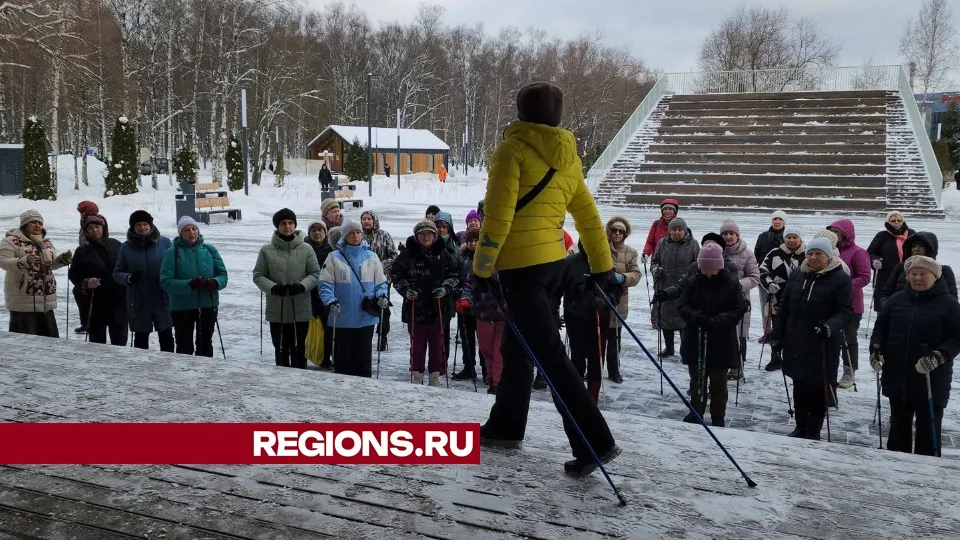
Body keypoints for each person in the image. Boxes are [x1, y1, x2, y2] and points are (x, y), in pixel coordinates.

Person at [472, 81, 622, 477]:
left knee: (550, 356)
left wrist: (482, 267)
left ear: (521, 111)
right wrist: (602, 266)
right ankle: (506, 425)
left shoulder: (511, 150)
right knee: (518, 346)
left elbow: (498, 216)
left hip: (522, 266)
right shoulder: (567, 156)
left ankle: (595, 442)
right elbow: (588, 216)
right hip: (554, 262)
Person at [870, 255, 960, 456]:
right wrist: (876, 349)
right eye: (913, 274)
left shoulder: (949, 304)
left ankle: (927, 468)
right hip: (898, 376)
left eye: (923, 274)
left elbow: (956, 338)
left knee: (928, 428)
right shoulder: (896, 300)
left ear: (935, 276)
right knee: (899, 426)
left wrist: (939, 356)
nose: (918, 278)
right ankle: (894, 463)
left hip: (931, 379)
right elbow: (881, 328)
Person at [771, 237, 852, 441]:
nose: (813, 257)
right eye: (810, 253)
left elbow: (844, 312)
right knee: (799, 386)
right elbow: (785, 307)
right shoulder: (798, 274)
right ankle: (800, 427)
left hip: (822, 343)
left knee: (817, 389)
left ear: (828, 256)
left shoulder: (840, 278)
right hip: (796, 341)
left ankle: (813, 431)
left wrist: (829, 327)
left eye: (819, 254)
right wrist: (778, 336)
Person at [678, 243, 748, 427]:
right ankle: (696, 411)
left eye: (712, 269)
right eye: (705, 268)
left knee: (718, 382)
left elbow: (740, 307)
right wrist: (696, 316)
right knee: (697, 380)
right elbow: (682, 305)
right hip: (696, 339)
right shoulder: (693, 282)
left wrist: (721, 319)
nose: (708, 272)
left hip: (721, 341)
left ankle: (718, 415)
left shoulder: (731, 284)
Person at [390, 220, 459, 386]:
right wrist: (406, 290)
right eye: (422, 234)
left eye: (429, 234)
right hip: (415, 307)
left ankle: (435, 376)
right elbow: (396, 275)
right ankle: (417, 375)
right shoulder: (407, 254)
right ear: (416, 236)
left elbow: (455, 275)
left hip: (438, 308)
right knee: (417, 347)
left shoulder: (443, 253)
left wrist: (445, 288)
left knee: (437, 346)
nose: (426, 237)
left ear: (435, 236)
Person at [318, 219, 389, 377]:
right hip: (342, 317)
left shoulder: (372, 257)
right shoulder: (334, 257)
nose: (355, 235)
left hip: (366, 318)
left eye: (358, 232)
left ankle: (364, 389)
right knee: (343, 360)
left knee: (363, 358)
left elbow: (381, 282)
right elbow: (324, 284)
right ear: (344, 236)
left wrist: (381, 295)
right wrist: (330, 301)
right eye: (351, 233)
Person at [253, 208, 322, 368]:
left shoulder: (306, 248)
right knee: (281, 348)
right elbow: (258, 275)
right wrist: (273, 288)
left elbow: (315, 273)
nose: (287, 226)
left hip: (300, 308)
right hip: (278, 309)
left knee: (299, 349)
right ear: (277, 226)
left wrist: (301, 286)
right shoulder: (266, 250)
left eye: (290, 223)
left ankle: (301, 382)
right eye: (283, 223)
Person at [562, 240, 622, 404]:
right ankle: (577, 396)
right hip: (575, 317)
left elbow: (617, 289)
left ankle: (592, 399)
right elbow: (557, 288)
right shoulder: (570, 263)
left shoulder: (604, 263)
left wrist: (606, 300)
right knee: (577, 357)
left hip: (598, 318)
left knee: (596, 358)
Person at [159, 216, 228, 357]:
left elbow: (223, 275)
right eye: (186, 230)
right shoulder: (172, 253)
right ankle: (184, 376)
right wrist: (190, 284)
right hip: (182, 307)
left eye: (194, 229)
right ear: (180, 233)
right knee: (184, 346)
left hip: (207, 304)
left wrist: (214, 283)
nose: (191, 233)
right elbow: (166, 282)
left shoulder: (209, 250)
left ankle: (205, 374)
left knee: (205, 344)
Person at [0, 210, 72, 337]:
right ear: (24, 225)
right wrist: (23, 261)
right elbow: (3, 262)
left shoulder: (46, 242)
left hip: (45, 300)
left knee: (49, 341)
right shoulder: (11, 241)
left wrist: (61, 260)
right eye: (33, 222)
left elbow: (51, 265)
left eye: (40, 223)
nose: (37, 225)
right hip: (23, 299)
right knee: (24, 342)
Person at [113, 210, 174, 351]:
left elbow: (175, 265)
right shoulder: (126, 247)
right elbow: (117, 272)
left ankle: (170, 365)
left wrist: (167, 276)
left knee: (166, 336)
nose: (142, 227)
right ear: (133, 227)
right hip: (138, 299)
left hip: (162, 297)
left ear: (151, 225)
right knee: (141, 340)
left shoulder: (165, 242)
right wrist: (128, 278)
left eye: (145, 224)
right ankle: (141, 368)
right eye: (138, 225)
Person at [826, 219, 871, 389]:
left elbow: (865, 277)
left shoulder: (858, 252)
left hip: (851, 305)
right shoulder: (828, 251)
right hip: (830, 303)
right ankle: (830, 368)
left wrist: (842, 286)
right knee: (832, 338)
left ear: (845, 234)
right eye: (831, 232)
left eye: (836, 232)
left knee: (848, 339)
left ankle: (849, 371)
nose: (834, 236)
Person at [69, 213, 127, 345]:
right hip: (95, 302)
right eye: (90, 228)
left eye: (97, 226)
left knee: (120, 341)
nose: (95, 230)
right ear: (85, 231)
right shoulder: (82, 251)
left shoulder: (116, 244)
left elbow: (126, 265)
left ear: (104, 227)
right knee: (97, 343)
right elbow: (73, 275)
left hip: (118, 301)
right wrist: (86, 282)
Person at [758, 226, 806, 371]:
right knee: (777, 330)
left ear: (800, 238)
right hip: (777, 299)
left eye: (794, 237)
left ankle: (793, 358)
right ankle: (776, 357)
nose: (791, 240)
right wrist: (769, 284)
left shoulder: (807, 254)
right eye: (788, 237)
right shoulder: (774, 253)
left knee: (796, 330)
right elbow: (762, 271)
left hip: (800, 300)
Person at [650, 217, 699, 358]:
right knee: (666, 318)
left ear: (685, 231)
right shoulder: (662, 243)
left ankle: (685, 349)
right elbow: (654, 261)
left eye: (679, 230)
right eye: (674, 230)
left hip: (684, 288)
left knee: (684, 319)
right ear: (669, 231)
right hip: (665, 286)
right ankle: (669, 348)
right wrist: (655, 269)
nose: (677, 233)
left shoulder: (693, 244)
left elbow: (697, 265)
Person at [720, 219, 760, 381]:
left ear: (737, 235)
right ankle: (722, 363)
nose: (728, 237)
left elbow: (754, 277)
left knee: (740, 333)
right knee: (722, 332)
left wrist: (736, 285)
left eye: (731, 234)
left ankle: (738, 366)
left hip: (739, 300)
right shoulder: (717, 251)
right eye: (725, 234)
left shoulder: (747, 253)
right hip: (719, 300)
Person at [877, 232, 957, 309]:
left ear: (930, 248)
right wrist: (889, 308)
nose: (916, 249)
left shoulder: (944, 271)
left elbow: (952, 301)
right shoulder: (901, 267)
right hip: (900, 316)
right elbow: (886, 293)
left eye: (921, 246)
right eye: (914, 246)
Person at [459, 262, 504, 394]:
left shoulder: (508, 263)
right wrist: (466, 299)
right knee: (486, 350)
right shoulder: (477, 266)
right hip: (483, 314)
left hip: (504, 317)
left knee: (499, 352)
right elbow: (469, 286)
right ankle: (491, 379)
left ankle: (498, 383)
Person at [604, 217, 640, 383]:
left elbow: (636, 274)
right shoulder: (601, 248)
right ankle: (595, 370)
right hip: (601, 299)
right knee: (597, 338)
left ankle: (614, 371)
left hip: (619, 301)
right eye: (614, 230)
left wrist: (622, 277)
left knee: (614, 339)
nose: (617, 234)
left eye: (621, 231)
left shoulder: (631, 252)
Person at [360, 210, 398, 352]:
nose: (366, 221)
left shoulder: (384, 235)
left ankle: (382, 336)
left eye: (369, 218)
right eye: (364, 219)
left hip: (382, 279)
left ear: (374, 220)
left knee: (383, 308)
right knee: (367, 306)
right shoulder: (359, 235)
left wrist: (378, 265)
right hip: (364, 280)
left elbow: (394, 256)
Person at [867, 211, 915, 312]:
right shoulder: (882, 236)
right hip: (886, 277)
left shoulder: (911, 234)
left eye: (899, 220)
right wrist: (874, 260)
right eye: (893, 220)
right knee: (884, 310)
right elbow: (870, 252)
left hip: (908, 276)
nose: (896, 222)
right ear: (888, 222)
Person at [453, 228, 482, 381]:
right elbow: (456, 277)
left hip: (483, 306)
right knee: (466, 337)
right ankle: (469, 367)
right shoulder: (462, 257)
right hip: (464, 304)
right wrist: (459, 294)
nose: (473, 243)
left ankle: (486, 369)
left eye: (476, 240)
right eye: (470, 241)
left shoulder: (485, 258)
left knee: (483, 340)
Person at [754, 210, 787, 342]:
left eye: (780, 219)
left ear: (784, 222)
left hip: (782, 280)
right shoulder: (762, 237)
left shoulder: (788, 237)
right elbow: (756, 255)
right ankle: (767, 332)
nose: (777, 222)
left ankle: (779, 332)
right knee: (765, 308)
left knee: (780, 308)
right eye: (775, 219)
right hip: (764, 278)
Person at [306, 221, 335, 370]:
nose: (317, 233)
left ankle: (325, 357)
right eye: (314, 230)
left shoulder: (331, 251)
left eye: (320, 230)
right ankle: (303, 354)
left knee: (327, 329)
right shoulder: (303, 248)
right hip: (306, 294)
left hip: (325, 295)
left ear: (325, 233)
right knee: (304, 328)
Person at [74, 200, 100, 334]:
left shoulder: (89, 224)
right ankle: (87, 322)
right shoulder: (93, 223)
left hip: (89, 264)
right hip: (86, 262)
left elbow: (87, 246)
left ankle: (88, 323)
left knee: (81, 293)